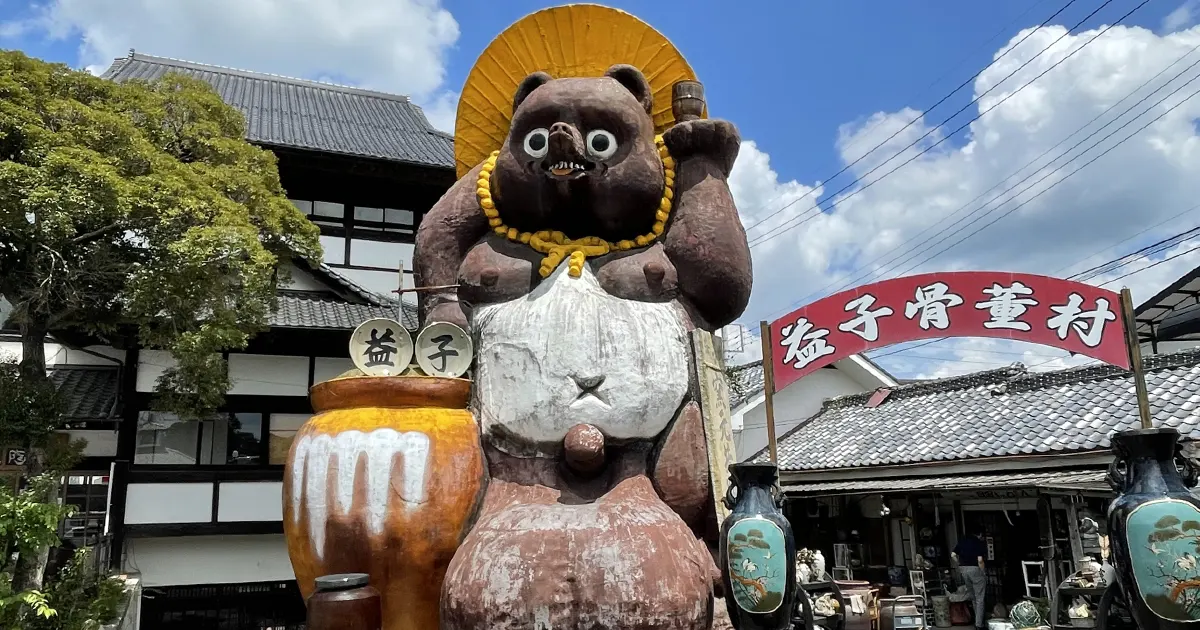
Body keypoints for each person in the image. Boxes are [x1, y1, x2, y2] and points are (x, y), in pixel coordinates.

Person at [952, 529, 989, 630]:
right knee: (980, 598)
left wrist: (959, 564)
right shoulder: (978, 543)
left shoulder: (962, 542)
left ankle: (978, 621)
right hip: (975, 569)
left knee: (973, 597)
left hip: (964, 569)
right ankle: (979, 625)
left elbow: (953, 555)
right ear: (979, 534)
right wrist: (983, 572)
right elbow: (980, 560)